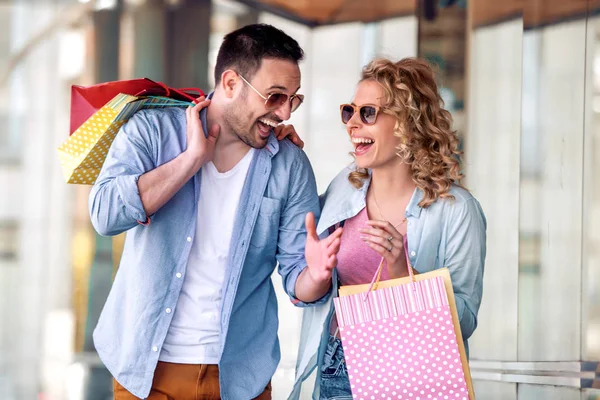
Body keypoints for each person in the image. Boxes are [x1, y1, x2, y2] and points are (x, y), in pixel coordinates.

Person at [89, 23, 342, 400]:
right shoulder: (151, 129)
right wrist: (191, 160)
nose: (285, 112)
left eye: (293, 99)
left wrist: (319, 276)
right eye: (274, 96)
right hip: (145, 372)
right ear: (230, 83)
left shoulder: (289, 165)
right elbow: (105, 214)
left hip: (240, 377)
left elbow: (298, 279)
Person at [285, 57, 487, 399]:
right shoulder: (342, 190)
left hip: (412, 375)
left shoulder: (457, 210)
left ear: (408, 123)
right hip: (338, 366)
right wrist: (282, 154)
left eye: (368, 113)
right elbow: (304, 284)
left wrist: (402, 274)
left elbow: (464, 320)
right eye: (349, 111)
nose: (352, 124)